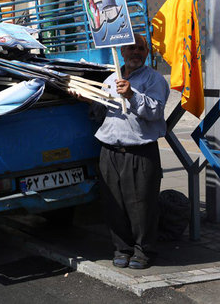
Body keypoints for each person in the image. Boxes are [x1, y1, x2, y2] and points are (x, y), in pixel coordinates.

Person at [72, 34, 169, 270]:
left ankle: (143, 251)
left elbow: (155, 112)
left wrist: (132, 95)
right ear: (122, 52)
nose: (135, 52)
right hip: (109, 150)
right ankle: (122, 248)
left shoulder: (154, 79)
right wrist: (88, 100)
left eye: (140, 49)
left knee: (141, 205)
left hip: (140, 152)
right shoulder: (111, 78)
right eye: (130, 48)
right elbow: (101, 114)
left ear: (147, 53)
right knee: (114, 204)